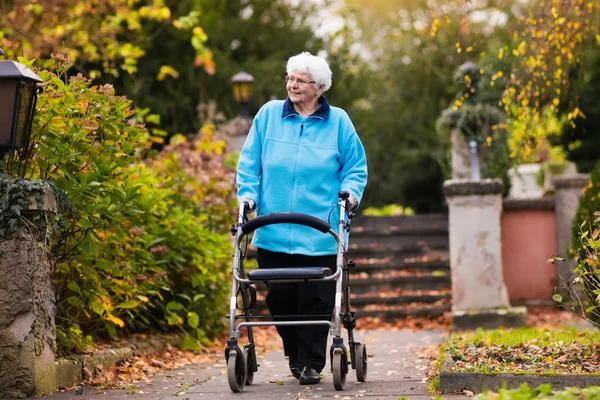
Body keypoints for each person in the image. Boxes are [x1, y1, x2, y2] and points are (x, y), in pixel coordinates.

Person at [236, 51, 368, 385]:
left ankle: (311, 362)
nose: (292, 85)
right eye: (290, 78)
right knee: (279, 298)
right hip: (273, 229)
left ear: (319, 87)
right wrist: (247, 193)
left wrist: (350, 195)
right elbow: (249, 162)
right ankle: (296, 354)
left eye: (300, 80)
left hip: (321, 231)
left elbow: (355, 168)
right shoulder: (268, 115)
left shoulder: (338, 121)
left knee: (317, 299)